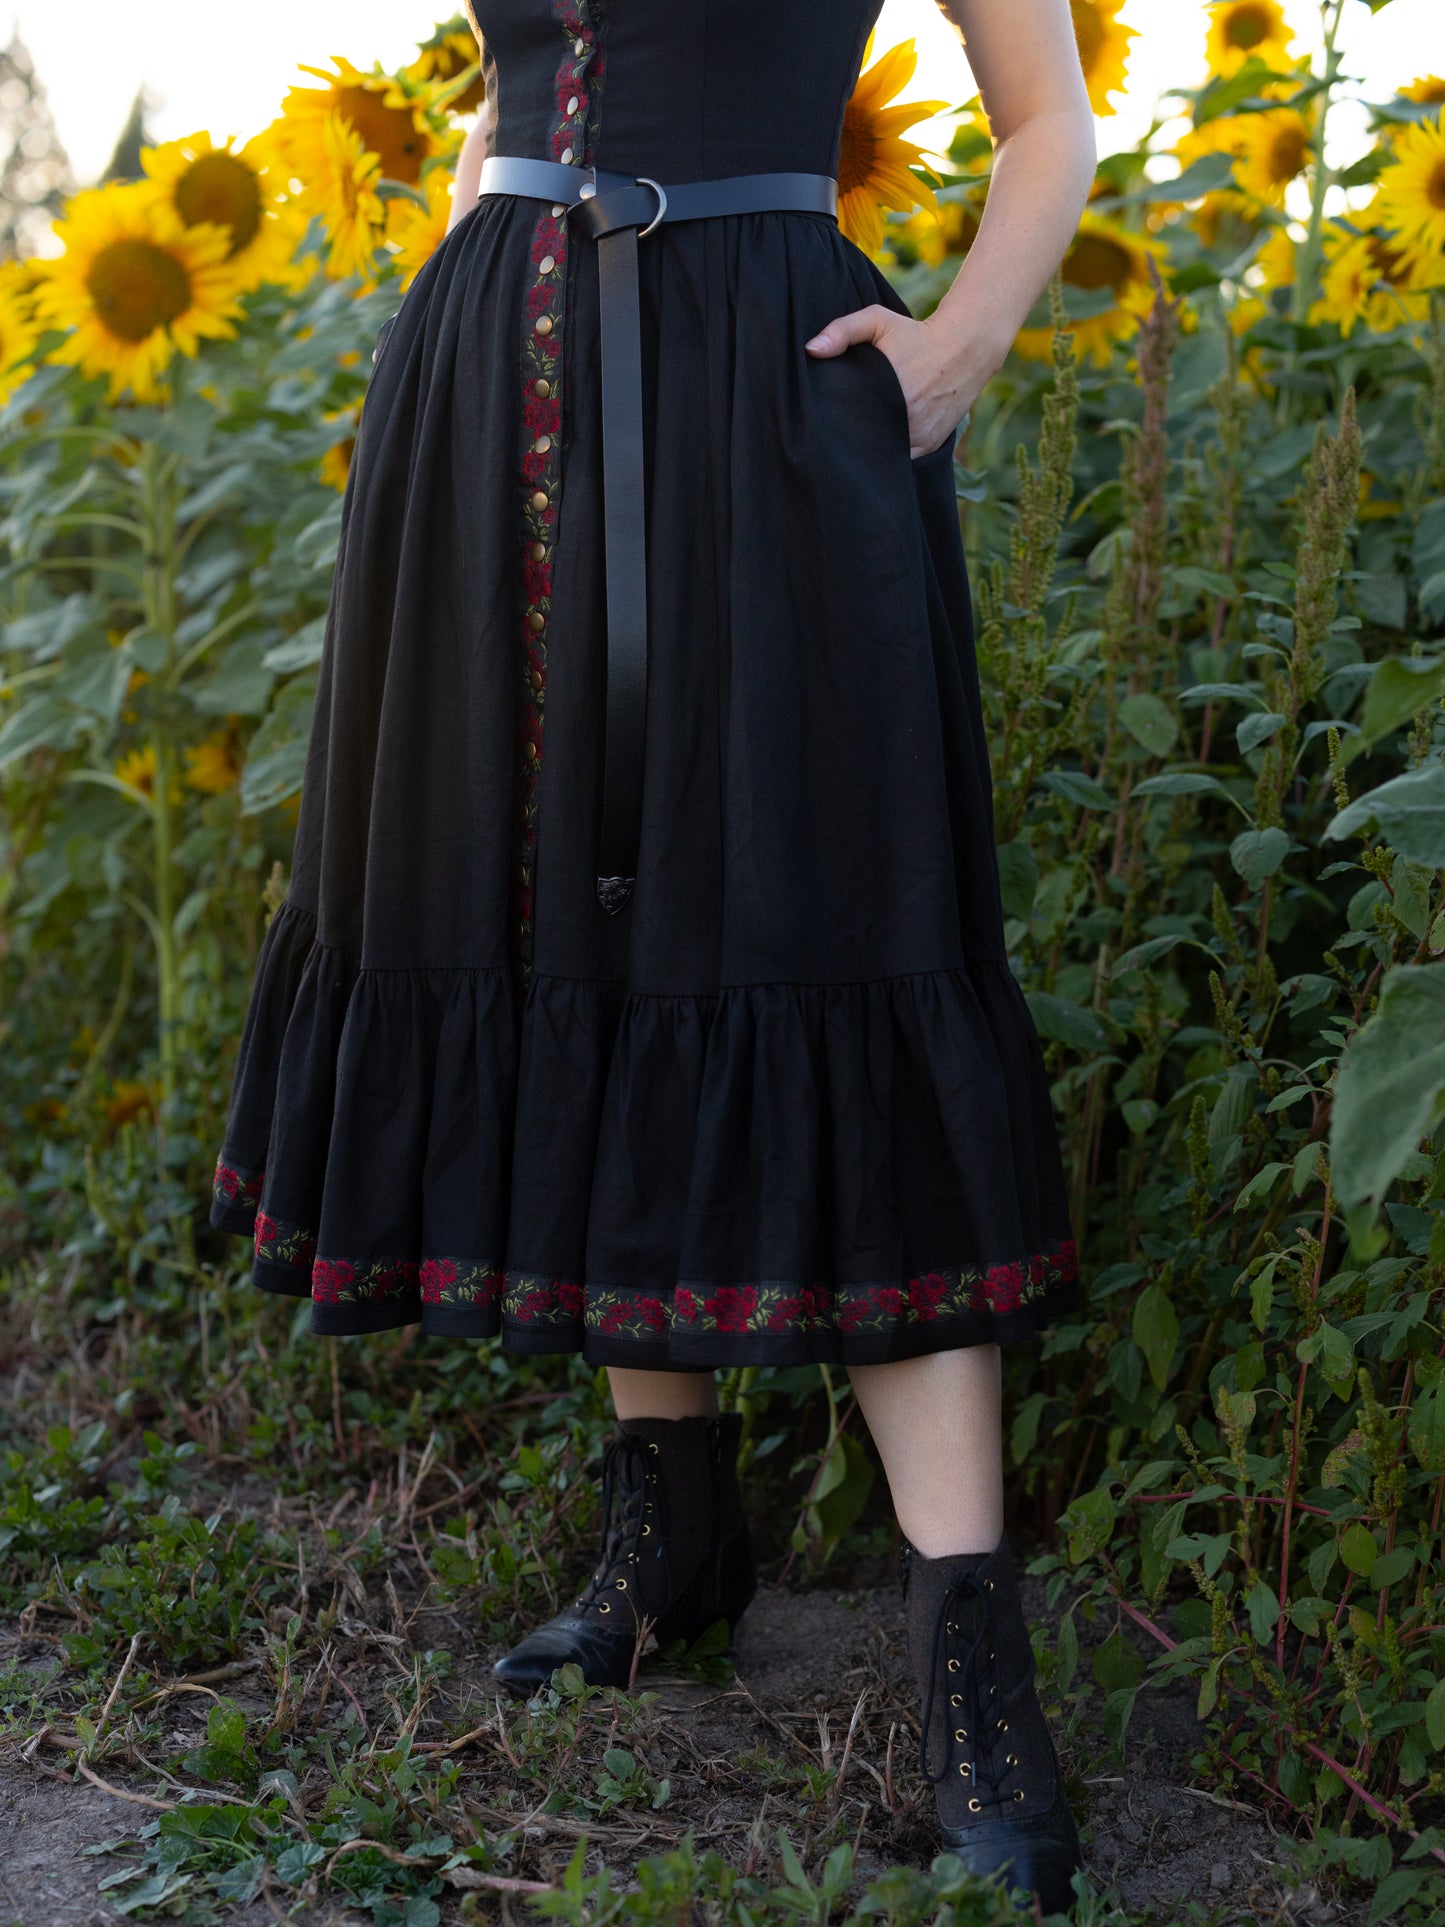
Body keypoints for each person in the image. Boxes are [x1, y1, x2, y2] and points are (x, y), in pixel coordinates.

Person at [208, 0, 1095, 1909]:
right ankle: (673, 1529)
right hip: (495, 396)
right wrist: (439, 351)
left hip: (767, 395)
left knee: (828, 928)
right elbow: (511, 105)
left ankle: (967, 1639)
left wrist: (960, 344)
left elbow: (1048, 121)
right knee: (571, 937)